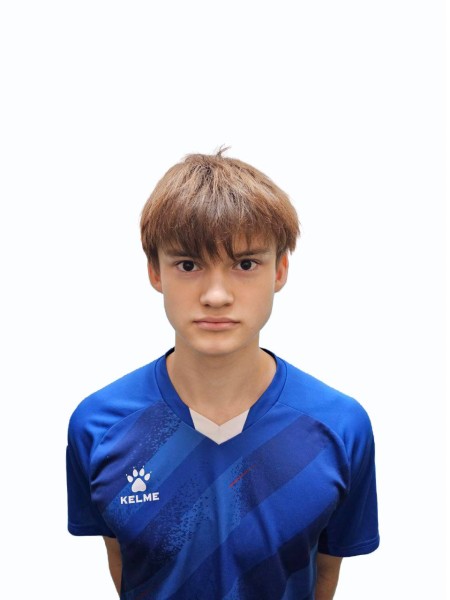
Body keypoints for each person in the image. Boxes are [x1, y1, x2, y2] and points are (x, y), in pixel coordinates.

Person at [66, 148, 379, 600]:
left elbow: (324, 573)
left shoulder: (340, 426)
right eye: (188, 265)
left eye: (245, 264)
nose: (216, 295)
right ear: (155, 272)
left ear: (280, 271)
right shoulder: (98, 425)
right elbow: (126, 564)